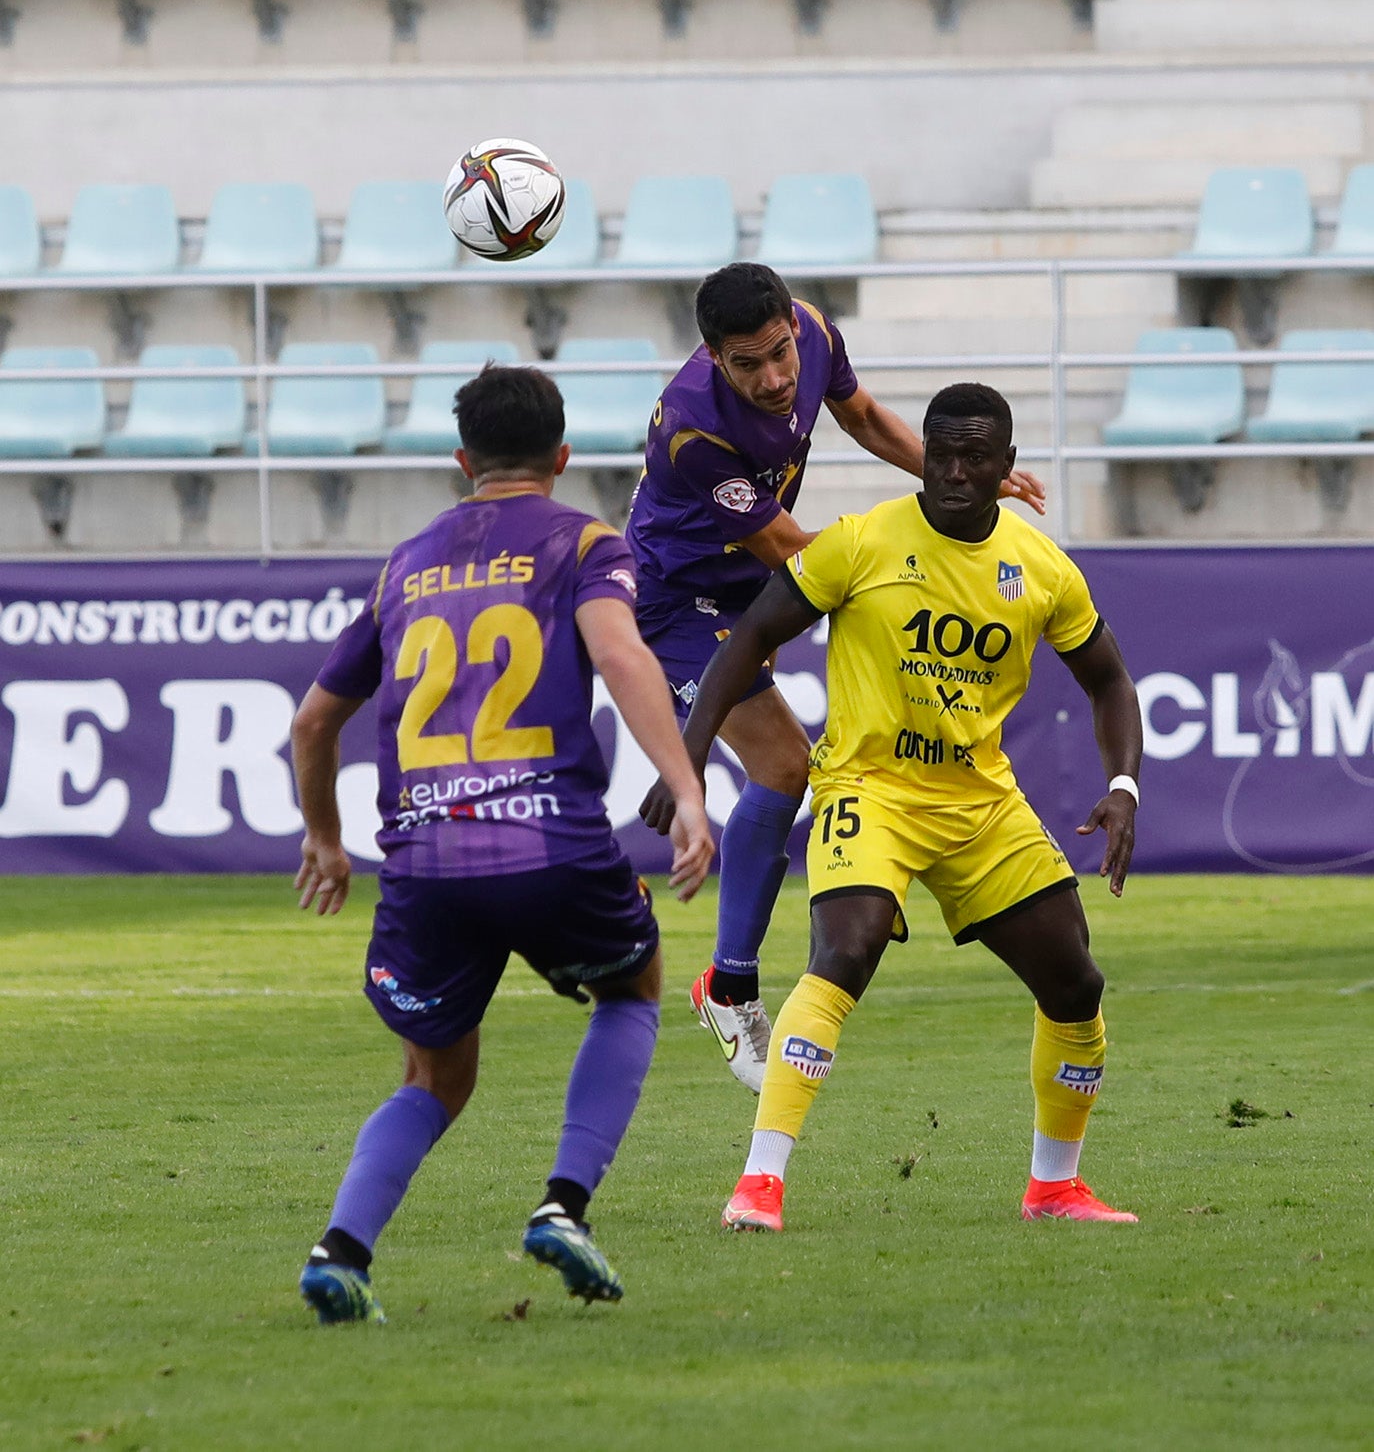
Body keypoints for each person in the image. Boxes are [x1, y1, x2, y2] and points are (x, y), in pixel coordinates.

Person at [642, 382, 1141, 1231]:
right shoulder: (862, 542)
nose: (952, 471)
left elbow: (1109, 680)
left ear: (1006, 467)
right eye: (939, 453)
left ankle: (1053, 1187)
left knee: (1076, 979)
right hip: (869, 789)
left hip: (980, 802)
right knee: (848, 946)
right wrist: (686, 753)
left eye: (974, 457)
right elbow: (753, 634)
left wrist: (1123, 784)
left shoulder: (1042, 569)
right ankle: (760, 1182)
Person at [291, 365, 714, 1323]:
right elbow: (618, 651)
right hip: (551, 842)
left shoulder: (404, 563)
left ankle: (342, 1248)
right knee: (632, 987)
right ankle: (563, 1204)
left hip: (426, 858)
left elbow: (315, 722)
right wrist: (685, 791)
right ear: (563, 458)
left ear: (460, 462)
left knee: (436, 1074)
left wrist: (325, 837)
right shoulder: (584, 540)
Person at [627, 263, 1046, 1092]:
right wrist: (917, 551)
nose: (776, 378)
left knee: (805, 759)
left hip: (750, 580)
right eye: (748, 366)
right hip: (681, 598)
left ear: (793, 324)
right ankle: (730, 983)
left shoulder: (815, 329)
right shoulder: (693, 429)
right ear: (713, 357)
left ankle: (845, 888)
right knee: (786, 763)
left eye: (780, 353)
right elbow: (789, 548)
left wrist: (956, 474)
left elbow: (859, 415)